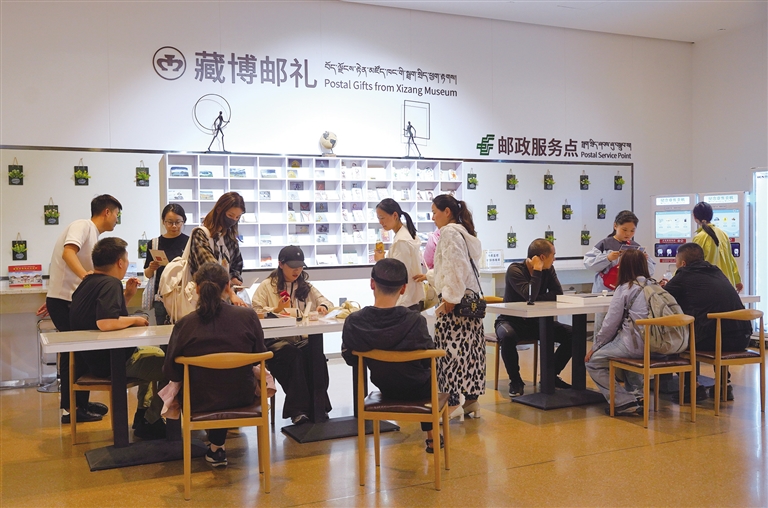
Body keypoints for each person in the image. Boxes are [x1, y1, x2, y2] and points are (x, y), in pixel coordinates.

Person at [163, 262, 267, 467]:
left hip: (199, 401)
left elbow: (171, 371)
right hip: (242, 396)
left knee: (205, 382)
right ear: (228, 286)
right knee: (227, 380)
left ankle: (207, 445)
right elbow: (258, 355)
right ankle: (216, 446)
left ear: (197, 288)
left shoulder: (185, 324)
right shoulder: (247, 316)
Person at [69, 237, 167, 439]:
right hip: (114, 362)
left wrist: (128, 296)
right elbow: (105, 322)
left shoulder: (87, 283)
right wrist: (136, 320)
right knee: (173, 368)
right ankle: (151, 420)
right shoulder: (111, 283)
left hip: (92, 361)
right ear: (120, 263)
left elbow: (103, 315)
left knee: (155, 353)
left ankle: (143, 416)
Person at [37, 194, 122, 424]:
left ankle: (79, 403)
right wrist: (86, 277)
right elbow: (68, 253)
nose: (117, 219)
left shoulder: (93, 234)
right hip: (64, 301)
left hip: (67, 300)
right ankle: (71, 408)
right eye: (116, 214)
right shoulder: (83, 225)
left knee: (81, 352)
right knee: (73, 352)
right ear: (107, 212)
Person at [341, 259, 441, 453]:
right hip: (418, 392)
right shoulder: (415, 321)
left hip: (384, 388)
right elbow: (426, 360)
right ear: (403, 289)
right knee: (427, 377)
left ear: (372, 283)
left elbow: (350, 359)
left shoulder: (354, 322)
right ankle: (432, 436)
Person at [416, 194, 484, 417]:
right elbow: (460, 267)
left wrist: (449, 299)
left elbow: (455, 267)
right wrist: (429, 276)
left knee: (450, 355)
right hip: (471, 305)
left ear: (447, 212)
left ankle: (451, 403)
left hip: (455, 306)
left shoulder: (449, 233)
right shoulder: (465, 233)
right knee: (471, 354)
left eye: (434, 212)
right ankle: (472, 401)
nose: (433, 217)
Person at [252, 246, 333, 424]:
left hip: (301, 338)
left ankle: (319, 405)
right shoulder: (267, 286)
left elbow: (326, 301)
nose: (297, 271)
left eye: (300, 266)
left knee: (315, 355)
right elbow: (256, 312)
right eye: (292, 266)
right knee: (292, 355)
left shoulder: (305, 286)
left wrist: (323, 307)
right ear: (281, 264)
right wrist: (276, 309)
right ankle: (298, 410)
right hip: (274, 341)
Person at [663, 242, 752, 401]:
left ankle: (692, 387)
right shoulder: (716, 271)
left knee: (678, 340)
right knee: (718, 329)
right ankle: (724, 386)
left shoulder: (684, 274)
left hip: (715, 341)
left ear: (683, 263)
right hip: (743, 338)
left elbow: (662, 297)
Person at [495, 239, 573, 397]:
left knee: (573, 334)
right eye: (553, 255)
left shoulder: (549, 269)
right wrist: (537, 270)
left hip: (537, 322)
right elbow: (529, 295)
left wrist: (535, 298)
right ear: (542, 257)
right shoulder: (515, 270)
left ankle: (550, 376)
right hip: (511, 321)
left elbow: (558, 294)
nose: (554, 259)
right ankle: (516, 381)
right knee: (508, 336)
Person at [585, 249, 652, 416]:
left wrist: (595, 347)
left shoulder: (625, 288)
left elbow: (610, 324)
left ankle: (624, 401)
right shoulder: (656, 286)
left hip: (636, 346)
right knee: (631, 348)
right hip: (660, 346)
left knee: (593, 361)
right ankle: (638, 395)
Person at [584, 210, 655, 335]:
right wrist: (607, 258)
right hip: (605, 293)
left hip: (628, 294)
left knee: (624, 329)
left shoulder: (636, 247)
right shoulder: (605, 244)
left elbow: (650, 271)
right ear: (615, 226)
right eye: (624, 229)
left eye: (632, 230)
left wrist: (644, 260)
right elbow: (588, 263)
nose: (628, 234)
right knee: (603, 327)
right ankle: (599, 347)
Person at [188, 191, 247, 307]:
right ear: (219, 210)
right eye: (230, 215)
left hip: (225, 300)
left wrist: (235, 278)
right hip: (204, 301)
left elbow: (237, 263)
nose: (233, 220)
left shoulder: (229, 236)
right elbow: (211, 271)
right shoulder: (200, 234)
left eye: (237, 217)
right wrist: (230, 292)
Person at [374, 198, 424, 310]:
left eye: (382, 218)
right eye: (378, 218)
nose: (380, 222)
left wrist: (381, 261)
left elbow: (397, 273)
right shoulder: (406, 233)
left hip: (404, 301)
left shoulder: (402, 240)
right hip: (409, 299)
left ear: (395, 215)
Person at [143, 204, 189, 325]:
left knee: (184, 330)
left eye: (178, 222)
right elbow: (147, 274)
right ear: (163, 221)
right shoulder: (154, 243)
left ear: (184, 221)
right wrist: (151, 268)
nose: (174, 226)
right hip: (161, 298)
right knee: (163, 332)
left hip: (184, 296)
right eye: (169, 222)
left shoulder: (189, 242)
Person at [692, 201, 743, 293]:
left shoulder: (699, 238)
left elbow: (692, 263)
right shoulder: (723, 234)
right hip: (727, 285)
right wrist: (737, 280)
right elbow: (731, 260)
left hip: (709, 287)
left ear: (695, 217)